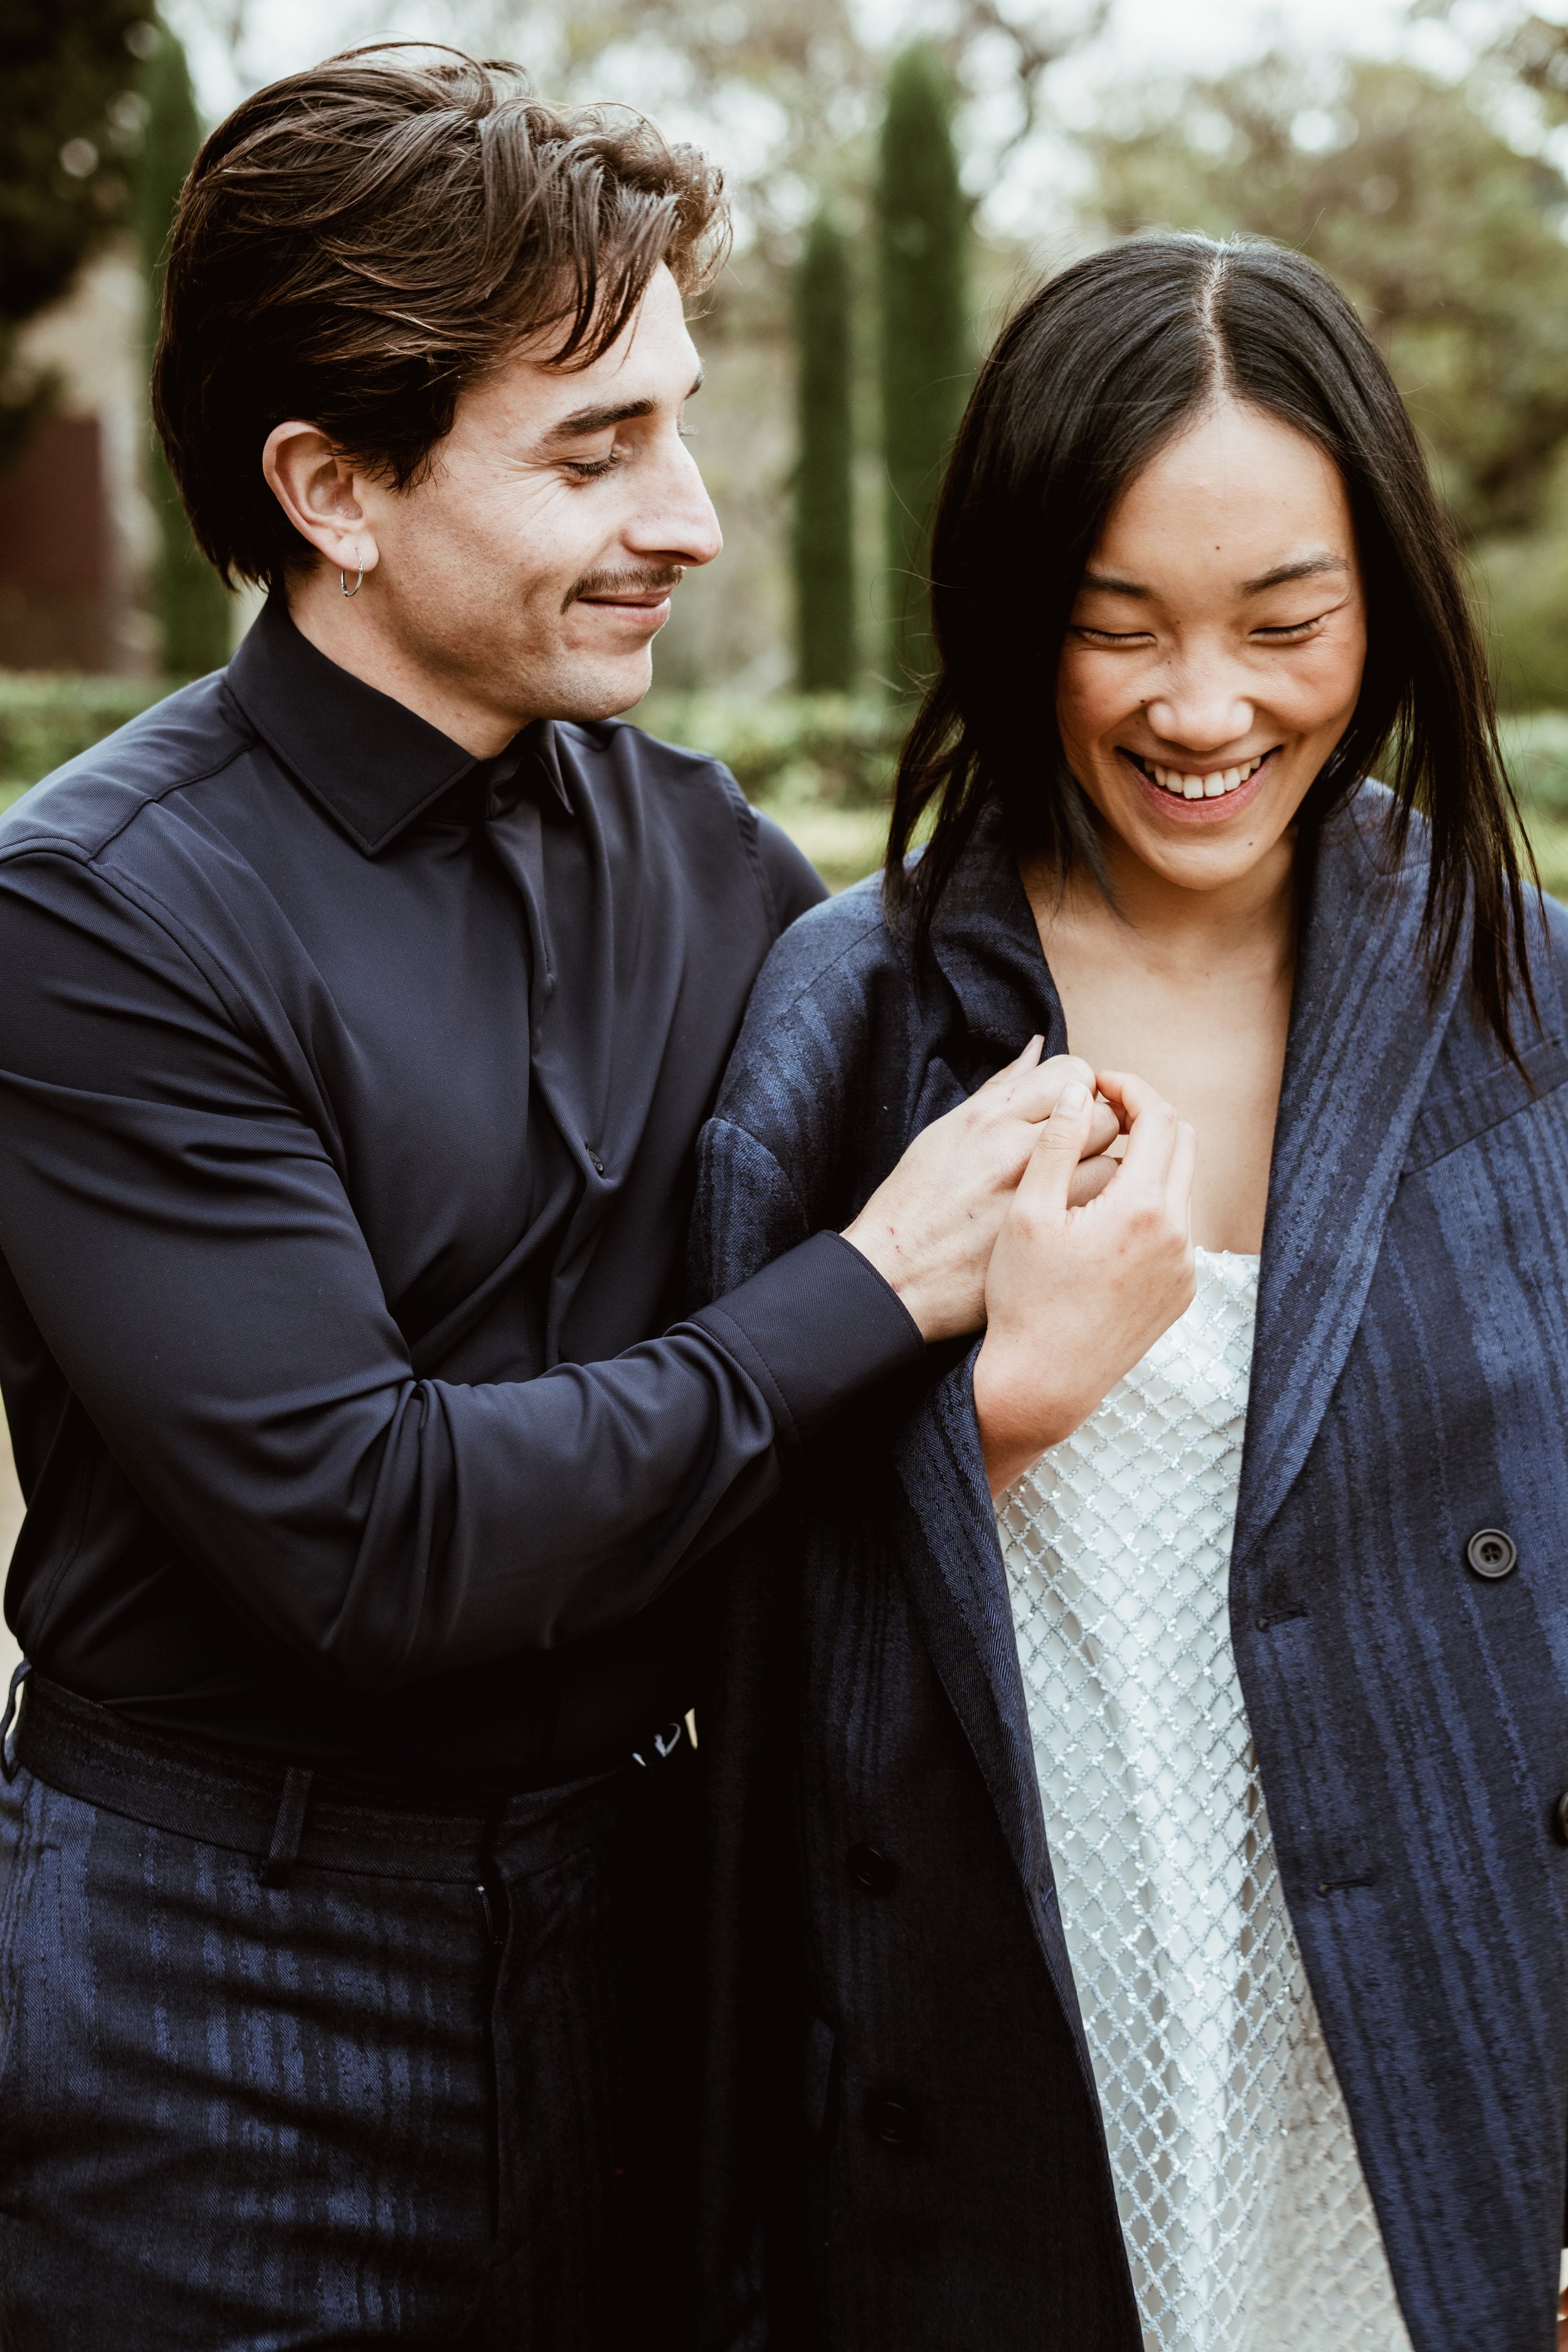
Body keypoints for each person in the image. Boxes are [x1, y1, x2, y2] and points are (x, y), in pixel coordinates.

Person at [0, 48, 1187, 2351]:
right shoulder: (94, 925)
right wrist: (875, 1290)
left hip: (665, 1941)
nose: (695, 517)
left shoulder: (720, 864)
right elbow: (375, 1538)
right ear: (331, 487)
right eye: (595, 449)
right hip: (211, 1996)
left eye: (680, 419)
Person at [691, 233, 1568, 2352]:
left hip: (1425, 2084)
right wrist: (988, 1415)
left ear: (1385, 600)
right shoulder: (850, 1015)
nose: (1204, 709)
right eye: (1115, 633)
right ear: (1012, 617)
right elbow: (696, 1609)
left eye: (1286, 624)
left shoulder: (1523, 1003)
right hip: (987, 2089)